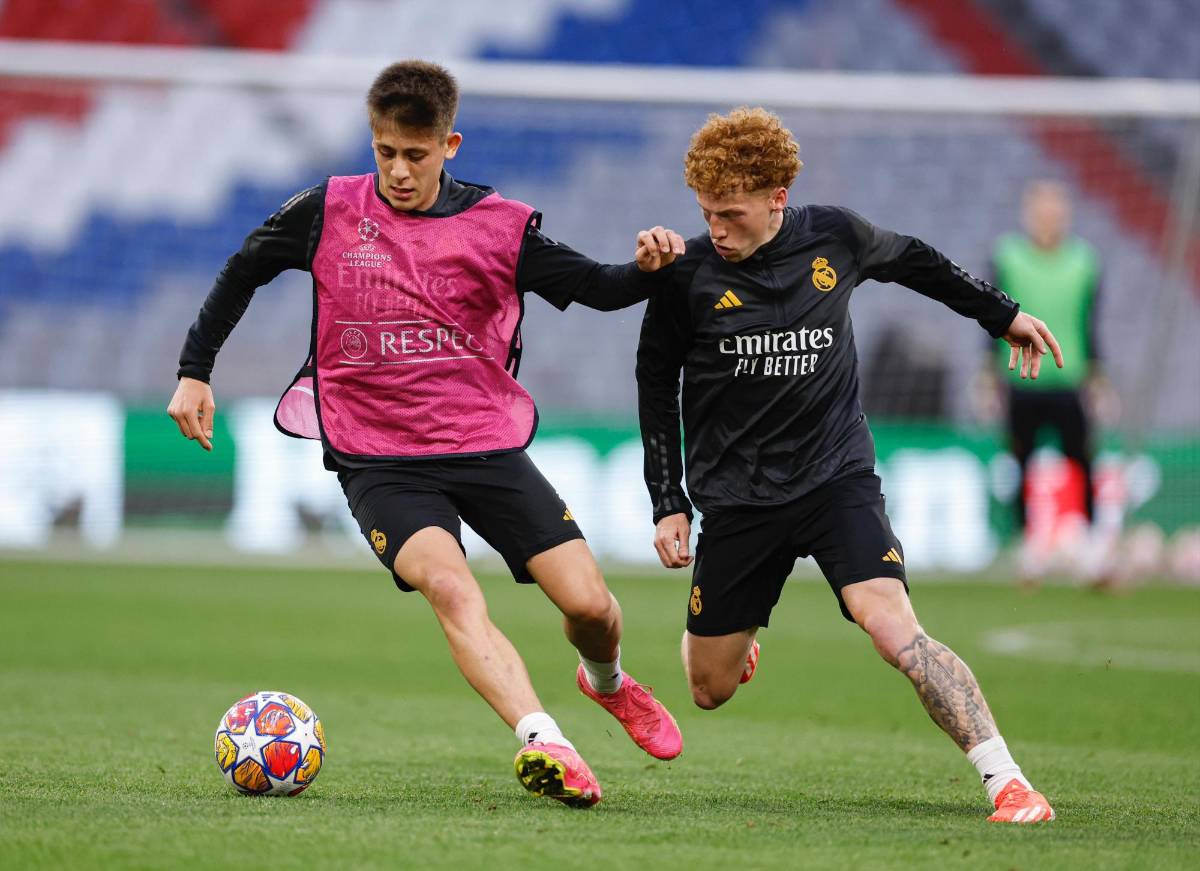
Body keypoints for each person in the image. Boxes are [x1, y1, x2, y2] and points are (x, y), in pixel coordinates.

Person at [167, 60, 686, 809]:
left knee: (590, 606)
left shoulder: (500, 226)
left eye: (416, 154)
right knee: (450, 586)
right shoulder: (328, 210)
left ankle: (605, 681)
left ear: (450, 145)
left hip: (483, 443)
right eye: (385, 152)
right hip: (378, 456)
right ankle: (546, 740)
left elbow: (600, 288)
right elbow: (244, 267)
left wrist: (649, 267)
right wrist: (195, 370)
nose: (399, 171)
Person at [636, 107, 1061, 823]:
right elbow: (655, 383)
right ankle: (738, 644)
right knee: (708, 688)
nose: (717, 229)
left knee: (895, 628)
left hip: (836, 478)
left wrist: (1002, 314)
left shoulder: (835, 235)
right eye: (707, 213)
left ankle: (1007, 780)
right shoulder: (686, 274)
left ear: (778, 198)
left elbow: (918, 261)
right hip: (738, 498)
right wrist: (667, 499)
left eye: (731, 214)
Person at [983, 180, 1113, 581]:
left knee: (1082, 460)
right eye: (1041, 210)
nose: (1048, 218)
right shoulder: (1007, 256)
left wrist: (1097, 377)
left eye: (1055, 211)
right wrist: (987, 374)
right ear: (1028, 214)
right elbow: (988, 316)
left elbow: (1090, 324)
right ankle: (1029, 549)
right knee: (1020, 463)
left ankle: (1090, 548)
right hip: (1020, 378)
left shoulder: (1084, 262)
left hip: (1068, 377)